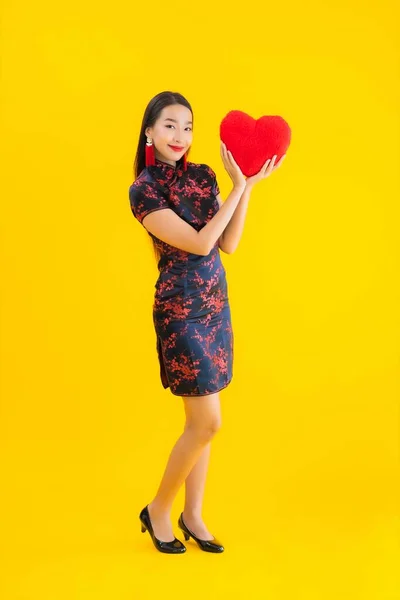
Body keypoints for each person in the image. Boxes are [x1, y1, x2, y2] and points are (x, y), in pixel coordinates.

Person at [129, 91, 285, 554]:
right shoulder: (144, 190)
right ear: (150, 132)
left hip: (215, 305)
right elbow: (198, 245)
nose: (181, 136)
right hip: (179, 311)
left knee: (201, 421)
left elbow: (228, 243)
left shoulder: (202, 175)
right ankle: (158, 509)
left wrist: (248, 187)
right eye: (171, 125)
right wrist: (237, 189)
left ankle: (193, 515)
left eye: (188, 127)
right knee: (207, 423)